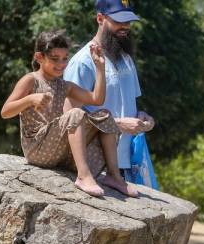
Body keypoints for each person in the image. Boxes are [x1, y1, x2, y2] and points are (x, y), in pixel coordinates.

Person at [1, 30, 128, 198]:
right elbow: (5, 112)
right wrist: (30, 99)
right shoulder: (31, 80)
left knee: (104, 116)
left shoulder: (64, 85)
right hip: (37, 149)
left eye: (64, 58)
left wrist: (99, 68)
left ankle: (114, 176)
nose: (61, 64)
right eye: (54, 59)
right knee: (75, 113)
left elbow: (97, 99)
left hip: (57, 152)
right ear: (39, 57)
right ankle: (83, 176)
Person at [64, 0, 155, 197]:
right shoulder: (82, 61)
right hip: (96, 166)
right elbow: (69, 116)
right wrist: (119, 124)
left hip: (128, 164)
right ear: (100, 19)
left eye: (128, 21)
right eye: (119, 21)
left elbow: (128, 103)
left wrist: (143, 117)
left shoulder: (126, 58)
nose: (125, 27)